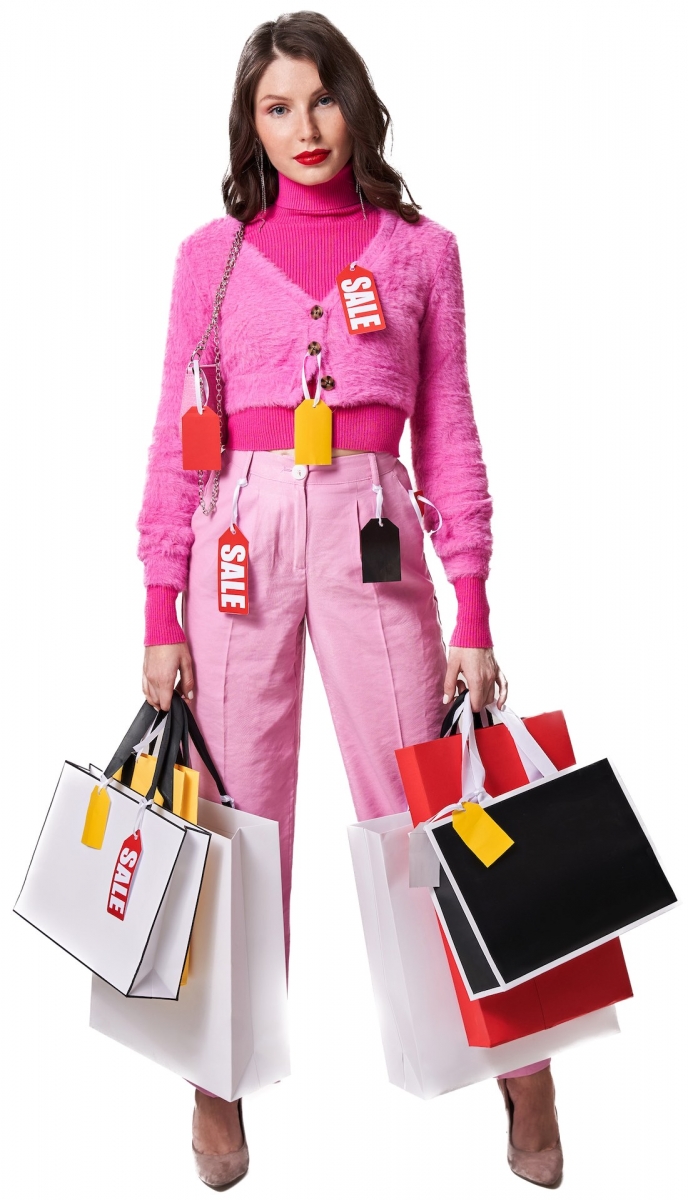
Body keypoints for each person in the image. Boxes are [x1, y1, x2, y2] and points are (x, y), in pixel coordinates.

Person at [137, 11, 563, 1191]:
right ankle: (214, 1082)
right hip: (239, 529)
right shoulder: (207, 257)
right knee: (231, 820)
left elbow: (453, 430)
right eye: (276, 107)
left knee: (426, 800)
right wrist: (157, 607)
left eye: (319, 99)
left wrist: (472, 605)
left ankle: (519, 1055)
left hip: (374, 526)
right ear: (250, 123)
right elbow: (175, 442)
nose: (303, 128)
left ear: (354, 103)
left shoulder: (422, 251)